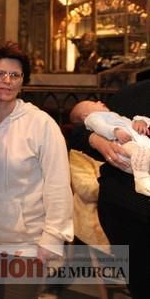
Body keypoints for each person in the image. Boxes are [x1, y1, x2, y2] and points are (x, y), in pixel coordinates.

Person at [0, 42, 73, 299]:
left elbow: (58, 185)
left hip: (25, 246)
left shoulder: (40, 123)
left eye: (15, 75)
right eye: (0, 74)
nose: (7, 81)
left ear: (23, 81)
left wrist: (52, 240)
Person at [68, 81, 150, 299]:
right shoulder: (131, 95)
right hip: (127, 209)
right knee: (142, 284)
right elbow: (77, 134)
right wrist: (95, 141)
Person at [70, 100, 150, 196]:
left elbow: (133, 121)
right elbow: (100, 126)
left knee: (143, 156)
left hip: (139, 149)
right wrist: (115, 131)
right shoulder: (93, 117)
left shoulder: (116, 116)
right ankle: (142, 180)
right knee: (140, 153)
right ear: (85, 115)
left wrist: (141, 122)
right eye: (93, 103)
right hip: (124, 147)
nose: (99, 101)